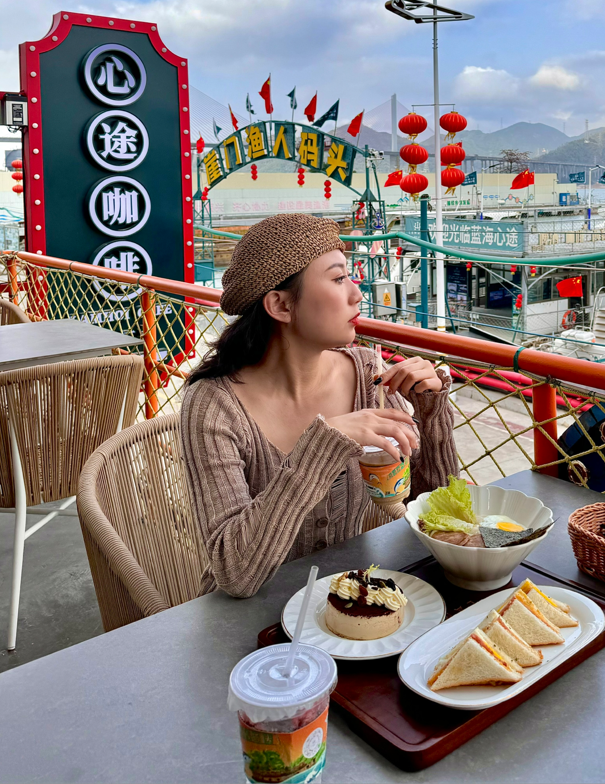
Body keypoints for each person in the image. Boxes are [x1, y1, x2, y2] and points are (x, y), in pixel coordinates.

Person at [181, 214, 457, 598]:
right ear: (280, 305)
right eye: (338, 278)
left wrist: (431, 412)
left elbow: (438, 516)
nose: (357, 294)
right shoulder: (213, 405)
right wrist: (322, 446)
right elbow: (235, 574)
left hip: (350, 601)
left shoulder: (368, 375)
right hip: (247, 623)